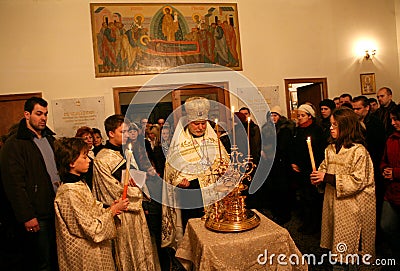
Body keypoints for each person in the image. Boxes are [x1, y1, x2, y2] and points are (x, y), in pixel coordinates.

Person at [310, 108, 375, 270]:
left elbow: (358, 180)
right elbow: (324, 168)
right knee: (337, 246)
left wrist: (327, 177)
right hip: (334, 204)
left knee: (349, 249)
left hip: (353, 207)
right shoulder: (330, 149)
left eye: (335, 125)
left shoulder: (358, 151)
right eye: (331, 124)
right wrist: (318, 177)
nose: (331, 128)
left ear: (346, 127)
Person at [161, 97, 230, 249]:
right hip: (191, 194)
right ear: (188, 123)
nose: (200, 127)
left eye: (203, 123)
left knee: (216, 232)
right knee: (194, 231)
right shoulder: (179, 144)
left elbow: (226, 164)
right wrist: (179, 182)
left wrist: (225, 172)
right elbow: (171, 172)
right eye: (196, 124)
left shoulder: (214, 141)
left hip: (215, 193)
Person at [0, 97, 59, 271]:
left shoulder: (50, 139)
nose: (43, 118)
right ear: (27, 114)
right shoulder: (14, 145)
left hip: (55, 208)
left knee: (56, 258)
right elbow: (14, 185)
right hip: (36, 213)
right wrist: (27, 215)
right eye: (38, 114)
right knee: (42, 261)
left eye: (46, 114)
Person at [53, 137, 129, 271]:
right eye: (84, 157)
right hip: (85, 255)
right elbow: (91, 229)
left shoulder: (79, 184)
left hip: (94, 251)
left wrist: (110, 207)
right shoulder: (68, 193)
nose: (89, 160)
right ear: (71, 162)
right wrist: (111, 211)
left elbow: (92, 208)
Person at [92, 114, 155, 271]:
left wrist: (139, 179)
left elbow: (132, 178)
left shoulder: (123, 152)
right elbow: (111, 188)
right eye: (123, 132)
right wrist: (137, 191)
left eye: (128, 131)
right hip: (122, 213)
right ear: (111, 133)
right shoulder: (104, 158)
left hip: (133, 213)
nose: (127, 135)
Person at [290, 103, 325, 234]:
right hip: (300, 169)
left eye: (303, 115)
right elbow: (293, 146)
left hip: (312, 168)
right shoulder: (298, 129)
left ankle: (315, 225)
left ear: (310, 116)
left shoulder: (317, 130)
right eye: (298, 115)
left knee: (313, 198)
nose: (300, 118)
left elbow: (319, 151)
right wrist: (293, 162)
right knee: (304, 197)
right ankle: (306, 222)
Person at [261, 106, 295, 224]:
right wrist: (263, 151)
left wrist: (272, 153)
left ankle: (284, 214)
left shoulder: (285, 128)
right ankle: (275, 212)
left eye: (275, 115)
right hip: (269, 163)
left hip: (281, 163)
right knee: (272, 189)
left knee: (283, 190)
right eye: (271, 115)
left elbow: (284, 146)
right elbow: (263, 143)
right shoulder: (266, 128)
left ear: (280, 117)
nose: (273, 117)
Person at [380, 104, 400, 263]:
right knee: (386, 225)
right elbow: (384, 160)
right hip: (391, 192)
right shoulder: (391, 138)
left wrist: (396, 172)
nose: (393, 123)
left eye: (396, 119)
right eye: (392, 119)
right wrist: (385, 169)